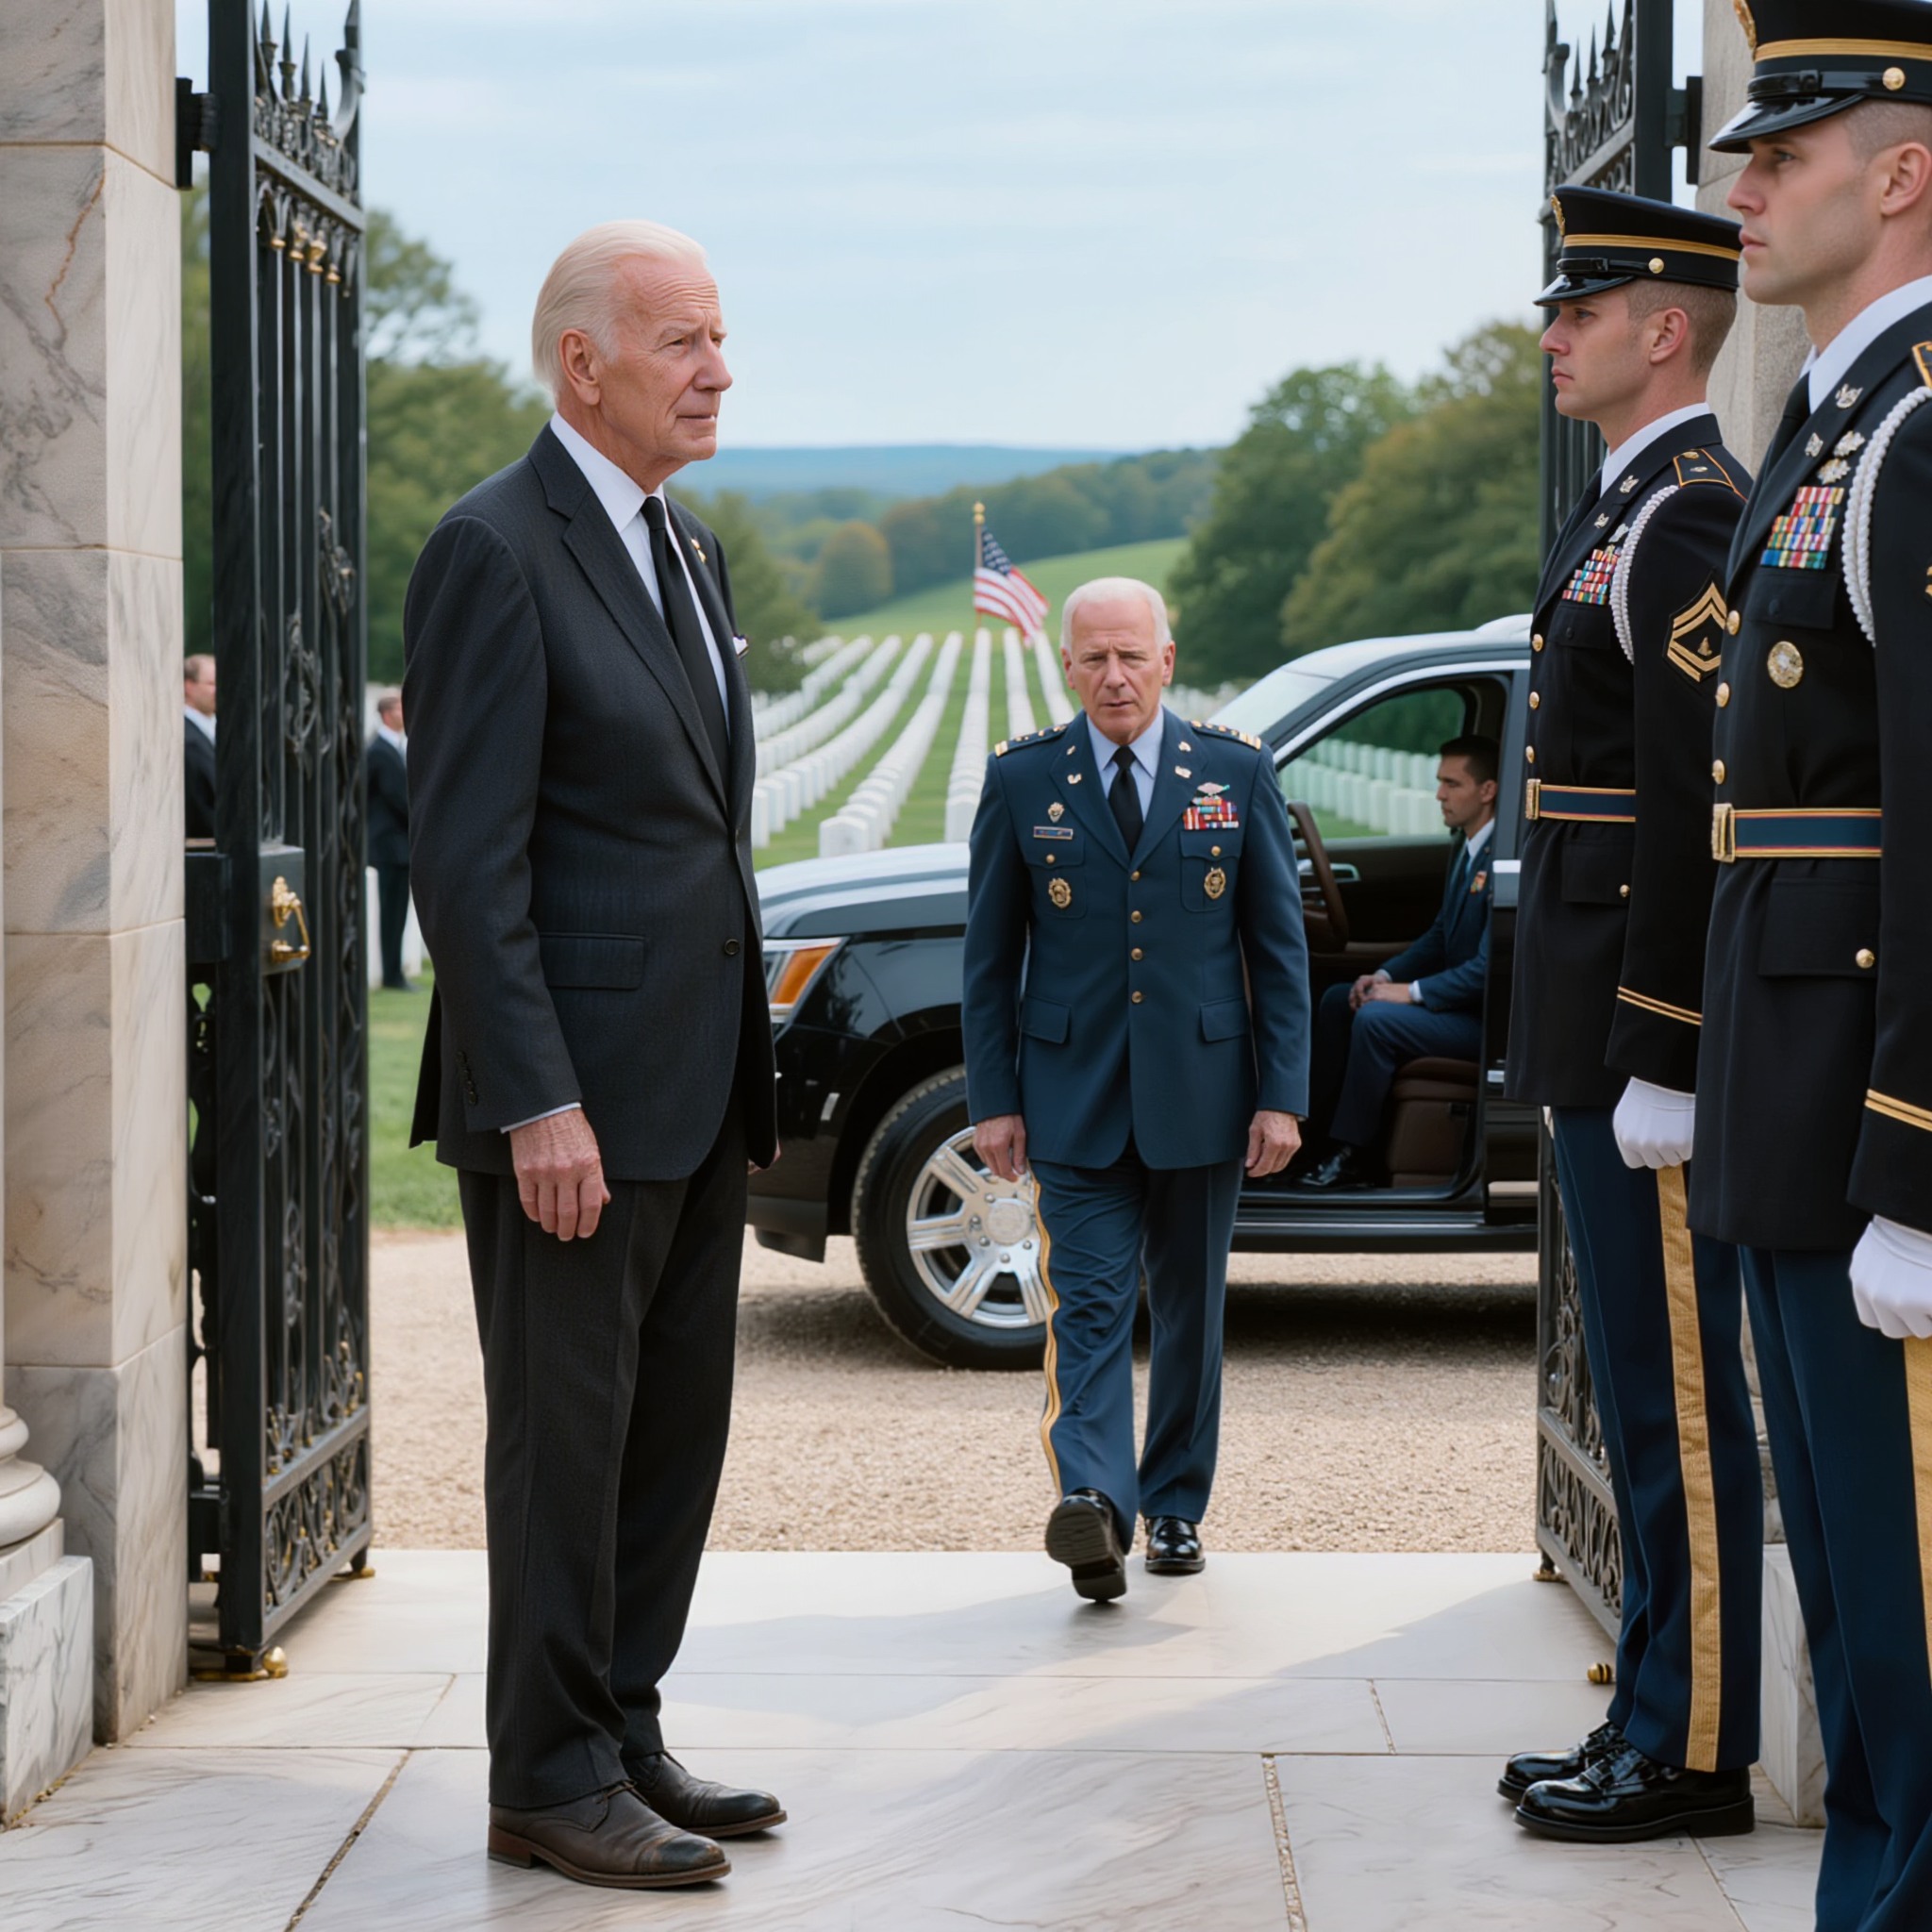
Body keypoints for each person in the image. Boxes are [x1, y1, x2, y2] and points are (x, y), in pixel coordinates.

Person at [403, 219, 781, 1892]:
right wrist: (539, 1094)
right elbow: (465, 863)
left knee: (665, 1435)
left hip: (693, 1092)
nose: (717, 369)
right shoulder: (495, 548)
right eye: (684, 341)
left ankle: (620, 1728)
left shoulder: (681, 550)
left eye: (718, 339)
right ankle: (541, 1774)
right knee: (562, 1447)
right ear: (583, 364)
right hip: (569, 1107)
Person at [1694, 8, 1932, 1921]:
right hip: (1788, 1083)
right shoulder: (1832, 426)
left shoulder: (1918, 428)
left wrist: (1916, 1159)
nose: (1741, 184)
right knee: (1848, 1596)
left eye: (1784, 153)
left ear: (1904, 171)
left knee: (1904, 1605)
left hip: (1866, 1099)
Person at [1499, 186, 1764, 1846]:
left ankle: (1690, 1748)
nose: (1549, 337)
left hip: (1629, 1031)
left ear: (1662, 328)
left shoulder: (1679, 516)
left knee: (1674, 1394)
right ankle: (1650, 1698)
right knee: (1640, 1385)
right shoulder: (1623, 511)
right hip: (1585, 1019)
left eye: (1576, 311)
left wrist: (1662, 1041)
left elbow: (1692, 806)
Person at [962, 576, 1309, 1602]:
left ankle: (1171, 1508)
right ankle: (1094, 1506)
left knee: (1190, 1312)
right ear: (1065, 667)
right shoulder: (1025, 780)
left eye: (1131, 655)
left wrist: (1279, 1093)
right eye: (1092, 659)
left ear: (1165, 657)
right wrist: (994, 1096)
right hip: (1068, 1095)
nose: (1113, 677)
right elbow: (988, 956)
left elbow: (1276, 950)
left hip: (1204, 1094)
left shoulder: (1233, 770)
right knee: (1090, 1306)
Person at [1301, 736, 1499, 1191]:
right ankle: (1312, 1140)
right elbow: (1438, 937)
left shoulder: (1500, 855)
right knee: (1339, 1000)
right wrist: (1385, 975)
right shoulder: (1468, 847)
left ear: (1487, 791)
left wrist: (1409, 994)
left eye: (1453, 784)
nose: (1439, 796)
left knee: (1376, 1021)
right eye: (1439, 783)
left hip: (1484, 1022)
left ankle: (1356, 1158)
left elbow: (1487, 969)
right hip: (1457, 1008)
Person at [366, 691, 412, 991]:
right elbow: (398, 797)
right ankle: (391, 974)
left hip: (400, 845)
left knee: (398, 913)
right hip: (386, 846)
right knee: (389, 913)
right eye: (400, 708)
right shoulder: (380, 751)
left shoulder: (396, 748)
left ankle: (395, 972)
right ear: (386, 714)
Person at [184, 654, 217, 840]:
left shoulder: (218, 728)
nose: (218, 690)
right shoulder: (184, 736)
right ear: (188, 686)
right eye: (211, 684)